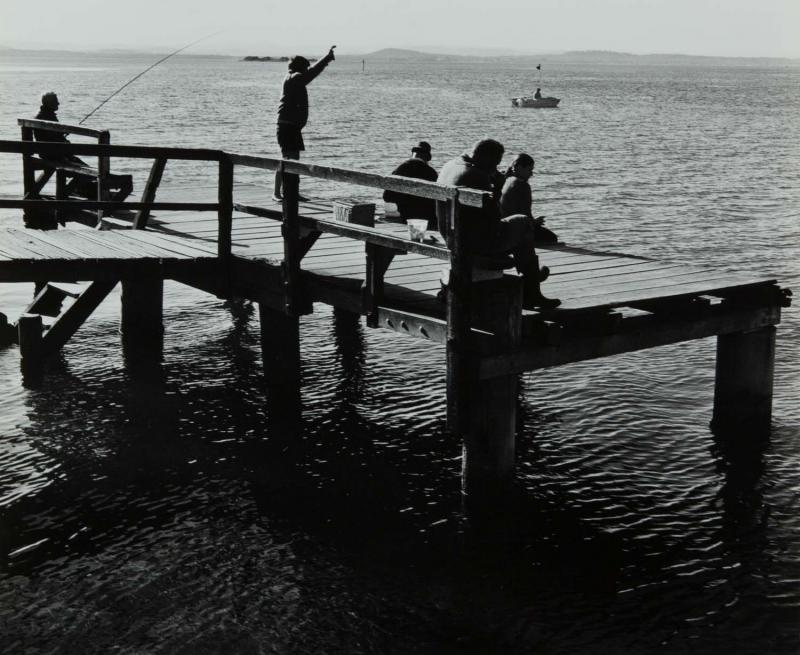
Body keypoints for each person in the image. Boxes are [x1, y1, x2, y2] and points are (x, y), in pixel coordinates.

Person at [437, 139, 560, 309]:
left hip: (449, 236)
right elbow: (494, 217)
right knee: (523, 222)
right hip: (472, 244)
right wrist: (499, 187)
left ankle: (532, 279)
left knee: (518, 226)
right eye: (495, 163)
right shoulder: (476, 176)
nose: (496, 168)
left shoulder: (450, 165)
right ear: (486, 158)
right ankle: (532, 290)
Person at [273, 46, 336, 201]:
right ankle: (278, 193)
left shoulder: (292, 78)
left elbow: (310, 72)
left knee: (292, 160)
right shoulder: (295, 78)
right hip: (288, 127)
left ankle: (291, 192)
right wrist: (327, 58)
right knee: (288, 159)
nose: (307, 70)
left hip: (291, 127)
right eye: (305, 68)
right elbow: (312, 72)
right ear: (300, 68)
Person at [499, 153, 558, 243]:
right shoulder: (522, 185)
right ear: (519, 167)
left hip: (503, 225)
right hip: (515, 228)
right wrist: (536, 222)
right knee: (551, 238)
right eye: (529, 170)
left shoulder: (507, 180)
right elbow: (525, 214)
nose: (531, 174)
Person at [383, 141, 438, 229]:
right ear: (426, 158)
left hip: (406, 217)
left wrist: (404, 201)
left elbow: (387, 196)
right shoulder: (431, 172)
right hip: (428, 219)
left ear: (413, 154)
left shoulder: (399, 169)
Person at [34, 92, 87, 166]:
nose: (58, 103)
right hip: (53, 154)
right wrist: (62, 136)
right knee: (83, 167)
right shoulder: (48, 117)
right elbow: (53, 138)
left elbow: (50, 136)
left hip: (46, 152)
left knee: (78, 162)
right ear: (49, 103)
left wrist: (61, 133)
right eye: (56, 101)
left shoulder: (42, 115)